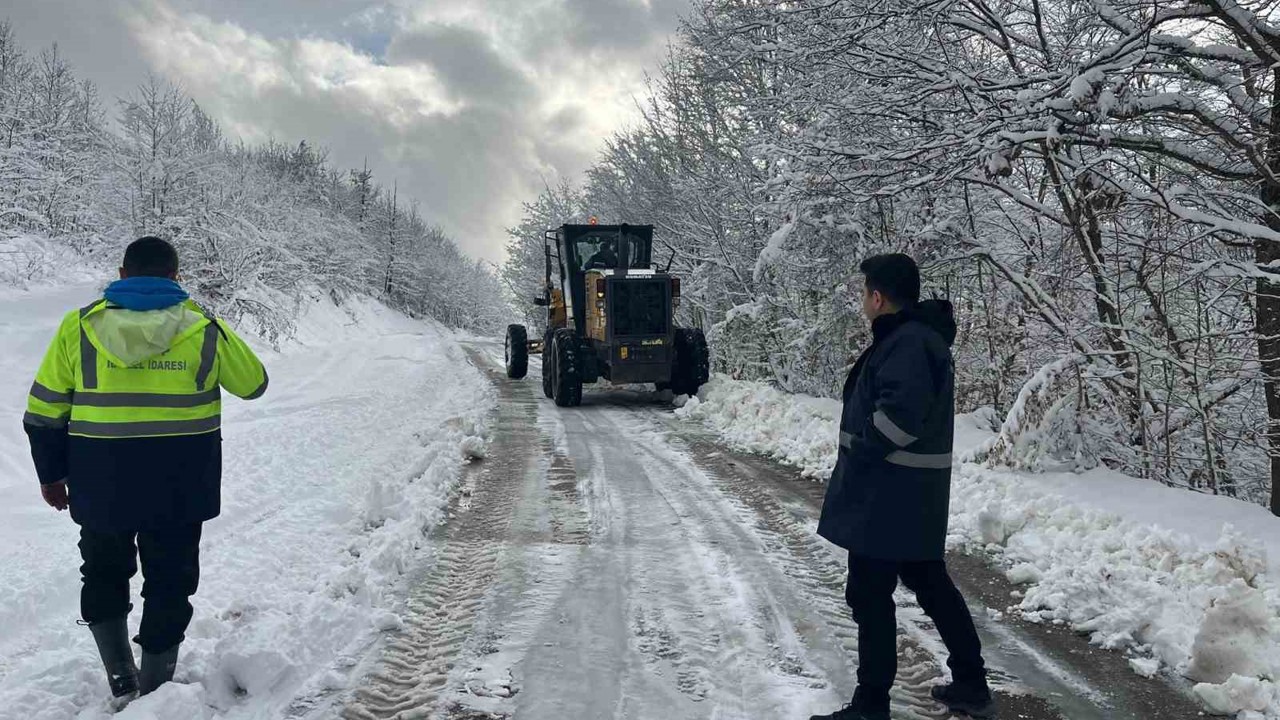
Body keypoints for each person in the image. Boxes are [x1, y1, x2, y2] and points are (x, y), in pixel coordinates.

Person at [23, 236, 268, 705]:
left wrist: (51, 476)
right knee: (171, 579)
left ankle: (119, 675)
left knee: (102, 572)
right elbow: (254, 384)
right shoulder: (203, 327)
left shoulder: (77, 328)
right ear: (175, 277)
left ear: (122, 272)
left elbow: (43, 412)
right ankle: (156, 686)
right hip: (181, 482)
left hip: (100, 482)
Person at [810, 254, 994, 720]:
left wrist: (865, 454)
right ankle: (971, 682)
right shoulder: (913, 339)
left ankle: (871, 704)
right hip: (908, 496)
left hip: (887, 496)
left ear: (877, 296)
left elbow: (900, 417)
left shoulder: (907, 344)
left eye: (864, 293)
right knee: (929, 583)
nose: (862, 302)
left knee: (869, 596)